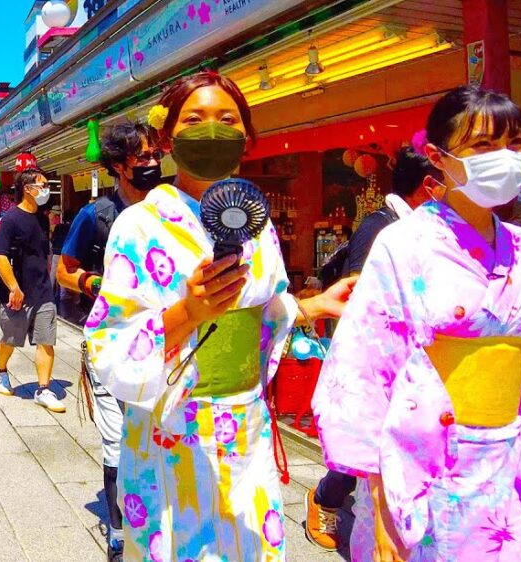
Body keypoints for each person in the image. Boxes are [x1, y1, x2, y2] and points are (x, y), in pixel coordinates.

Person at [84, 71, 353, 561]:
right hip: (174, 427)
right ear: (167, 137)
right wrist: (189, 310)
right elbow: (107, 340)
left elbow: (263, 309)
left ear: (246, 138)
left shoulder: (256, 219)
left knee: (250, 545)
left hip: (245, 422)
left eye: (227, 120)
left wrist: (314, 305)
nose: (212, 131)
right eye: (195, 119)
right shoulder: (139, 224)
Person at [314, 86, 521, 562]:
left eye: (515, 143)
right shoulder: (404, 244)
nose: (504, 158)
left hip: (510, 465)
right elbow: (363, 372)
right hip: (426, 471)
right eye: (483, 146)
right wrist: (380, 509)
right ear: (437, 157)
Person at [304, 146, 443, 550]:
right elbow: (358, 293)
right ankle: (324, 498)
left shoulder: (436, 229)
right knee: (361, 451)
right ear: (428, 186)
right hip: (377, 358)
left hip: (425, 361)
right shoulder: (381, 226)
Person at [57, 121, 163, 562]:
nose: (154, 164)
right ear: (119, 165)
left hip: (165, 341)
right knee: (119, 439)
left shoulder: (169, 207)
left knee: (159, 434)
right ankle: (119, 532)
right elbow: (62, 269)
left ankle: (160, 517)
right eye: (143, 158)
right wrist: (94, 281)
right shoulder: (96, 215)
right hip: (111, 346)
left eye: (156, 154)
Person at [0, 170, 67, 413]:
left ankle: (43, 389)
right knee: (10, 339)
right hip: (17, 292)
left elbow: (42, 253)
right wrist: (14, 286)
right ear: (27, 188)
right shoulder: (10, 219)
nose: (47, 189)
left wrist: (48, 278)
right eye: (43, 185)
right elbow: (0, 255)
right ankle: (1, 370)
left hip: (43, 291)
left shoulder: (43, 219)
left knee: (46, 340)